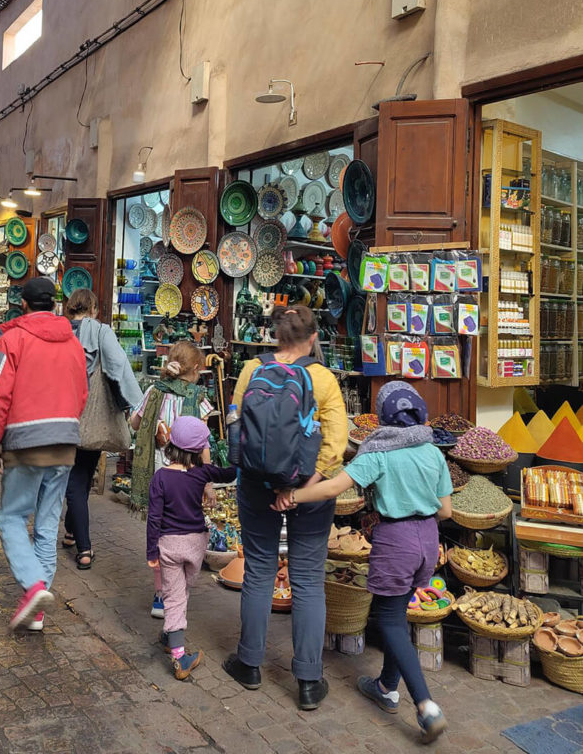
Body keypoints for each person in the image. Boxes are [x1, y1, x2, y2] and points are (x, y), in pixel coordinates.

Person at [274, 381, 451, 743]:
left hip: (396, 540)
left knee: (387, 619)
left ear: (384, 417)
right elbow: (446, 509)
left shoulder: (379, 454)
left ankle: (426, 705)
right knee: (397, 614)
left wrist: (293, 495)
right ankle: (386, 687)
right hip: (428, 541)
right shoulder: (433, 452)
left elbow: (332, 488)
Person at [222, 306, 348, 711]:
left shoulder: (249, 370)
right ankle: (309, 680)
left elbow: (236, 425)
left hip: (257, 486)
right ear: (313, 339)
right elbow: (335, 444)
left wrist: (270, 485)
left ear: (276, 336)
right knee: (308, 579)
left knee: (258, 570)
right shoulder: (323, 378)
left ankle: (250, 663)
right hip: (310, 492)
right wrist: (304, 488)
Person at [0, 277, 87, 632]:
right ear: (54, 305)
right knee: (46, 523)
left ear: (23, 305)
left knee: (12, 517)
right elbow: (82, 391)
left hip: (26, 440)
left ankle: (34, 586)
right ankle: (37, 610)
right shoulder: (72, 341)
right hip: (64, 439)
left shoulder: (12, 339)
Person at [130, 340, 216, 618]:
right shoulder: (198, 397)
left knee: (160, 533)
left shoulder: (155, 390)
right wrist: (209, 481)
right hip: (188, 479)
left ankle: (160, 596)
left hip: (159, 473)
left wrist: (154, 426)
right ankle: (178, 591)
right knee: (185, 532)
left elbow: (134, 423)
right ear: (195, 368)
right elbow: (204, 443)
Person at [147, 416, 236, 680]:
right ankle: (169, 634)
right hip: (196, 545)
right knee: (181, 592)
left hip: (169, 545)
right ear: (199, 450)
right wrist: (241, 450)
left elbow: (154, 519)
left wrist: (152, 552)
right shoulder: (203, 473)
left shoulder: (160, 478)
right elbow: (231, 473)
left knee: (173, 596)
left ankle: (179, 658)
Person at [64, 288, 143, 569]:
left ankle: (72, 532)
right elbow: (118, 366)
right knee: (80, 476)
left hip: (58, 412)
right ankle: (84, 549)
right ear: (95, 308)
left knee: (75, 477)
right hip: (90, 414)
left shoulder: (57, 330)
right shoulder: (100, 332)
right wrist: (128, 402)